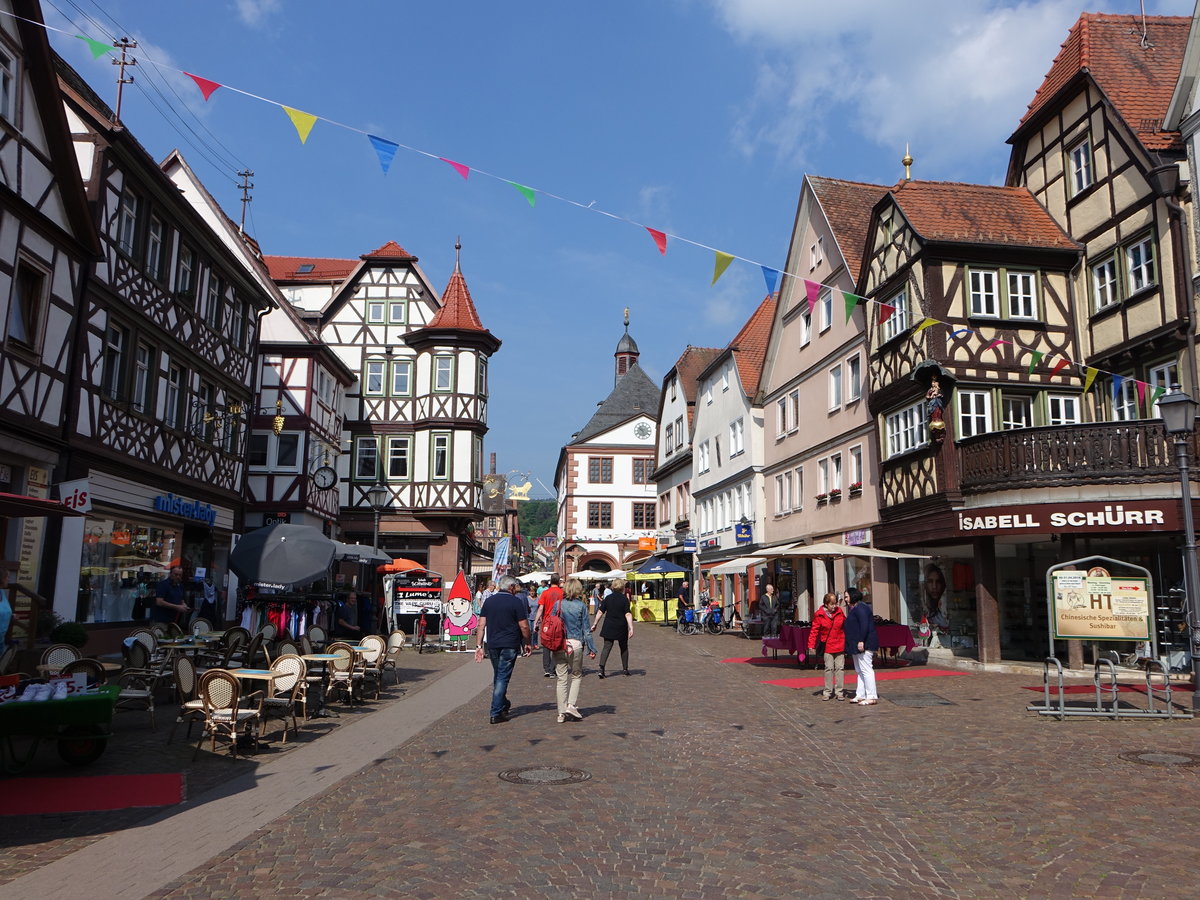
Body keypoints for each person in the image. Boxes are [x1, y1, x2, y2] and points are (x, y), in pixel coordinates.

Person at [474, 574, 531, 723]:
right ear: (511, 587)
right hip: (510, 644)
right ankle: (496, 712)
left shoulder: (489, 602)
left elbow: (481, 625)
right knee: (502, 677)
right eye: (515, 587)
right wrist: (528, 643)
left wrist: (479, 646)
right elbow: (524, 625)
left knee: (499, 675)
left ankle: (503, 703)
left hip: (492, 645)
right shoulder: (515, 602)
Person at [552, 578, 597, 723]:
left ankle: (561, 713)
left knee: (561, 678)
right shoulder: (582, 606)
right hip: (576, 644)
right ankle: (571, 704)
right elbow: (586, 630)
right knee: (576, 675)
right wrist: (592, 648)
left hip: (560, 644)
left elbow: (553, 624)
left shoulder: (558, 604)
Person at [808, 592, 847, 700]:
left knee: (840, 668)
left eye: (835, 604)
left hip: (839, 643)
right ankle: (827, 691)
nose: (834, 606)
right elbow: (814, 630)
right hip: (828, 645)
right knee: (829, 668)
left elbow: (846, 624)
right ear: (826, 604)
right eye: (832, 604)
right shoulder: (819, 614)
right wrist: (811, 645)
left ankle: (839, 692)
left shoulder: (840, 612)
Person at [592, 577, 633, 678]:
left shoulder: (608, 598)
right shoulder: (624, 599)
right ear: (622, 587)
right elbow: (628, 614)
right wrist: (631, 627)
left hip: (609, 626)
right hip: (621, 626)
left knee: (606, 647)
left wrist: (595, 623)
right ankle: (625, 669)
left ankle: (601, 669)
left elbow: (600, 611)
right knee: (623, 647)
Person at [843, 588, 879, 705]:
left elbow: (864, 626)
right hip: (856, 644)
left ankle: (872, 696)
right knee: (859, 670)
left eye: (847, 596)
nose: (845, 599)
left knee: (866, 669)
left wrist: (861, 641)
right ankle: (860, 694)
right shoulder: (855, 608)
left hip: (864, 643)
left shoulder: (861, 608)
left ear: (853, 596)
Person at [533, 575, 564, 677]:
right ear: (559, 581)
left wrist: (536, 622)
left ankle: (546, 668)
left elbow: (541, 608)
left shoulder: (545, 593)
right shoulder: (562, 593)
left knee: (546, 645)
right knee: (557, 644)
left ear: (550, 581)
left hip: (547, 622)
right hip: (558, 622)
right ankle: (552, 669)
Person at [0, 567, 12, 649]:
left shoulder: (2, 592)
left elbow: (3, 610)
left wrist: (11, 615)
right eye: (7, 577)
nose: (9, 579)